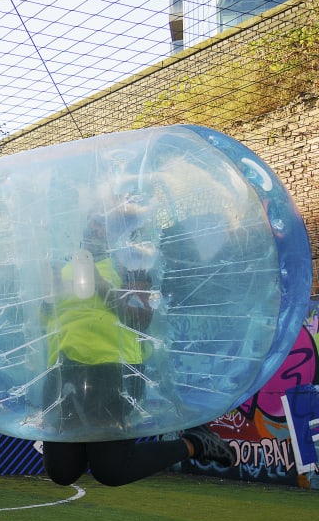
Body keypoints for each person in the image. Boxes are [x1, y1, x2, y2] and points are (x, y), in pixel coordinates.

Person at [39, 200, 236, 486]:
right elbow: (48, 320)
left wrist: (101, 284)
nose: (96, 228)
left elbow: (141, 319)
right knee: (62, 472)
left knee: (112, 471)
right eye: (93, 221)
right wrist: (49, 298)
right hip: (63, 372)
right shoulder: (67, 268)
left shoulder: (130, 267)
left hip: (113, 373)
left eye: (104, 225)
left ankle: (195, 444)